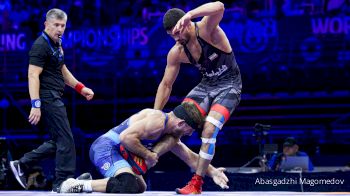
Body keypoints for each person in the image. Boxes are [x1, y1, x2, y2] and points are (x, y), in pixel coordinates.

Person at [155, 1, 242, 194]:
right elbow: (166, 84)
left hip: (229, 85)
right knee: (172, 126)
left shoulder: (206, 29)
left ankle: (197, 183)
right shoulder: (176, 52)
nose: (176, 39)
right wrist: (155, 114)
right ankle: (147, 159)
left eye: (177, 33)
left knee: (209, 130)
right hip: (207, 86)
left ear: (185, 23)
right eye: (172, 36)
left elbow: (220, 6)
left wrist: (190, 14)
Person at [9, 8, 94, 192]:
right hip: (47, 97)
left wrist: (80, 87)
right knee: (66, 139)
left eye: (63, 25)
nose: (60, 29)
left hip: (56, 95)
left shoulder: (57, 43)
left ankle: (22, 164)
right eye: (56, 25)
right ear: (46, 24)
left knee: (59, 141)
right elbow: (32, 75)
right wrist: (35, 104)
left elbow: (63, 70)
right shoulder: (40, 45)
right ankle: (63, 181)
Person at [58, 102, 229, 193]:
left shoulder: (170, 135)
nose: (190, 134)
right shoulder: (157, 121)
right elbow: (125, 137)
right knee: (127, 185)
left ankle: (86, 182)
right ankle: (74, 185)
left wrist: (213, 171)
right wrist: (148, 154)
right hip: (106, 147)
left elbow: (190, 157)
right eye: (190, 129)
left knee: (139, 188)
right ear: (182, 123)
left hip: (119, 152)